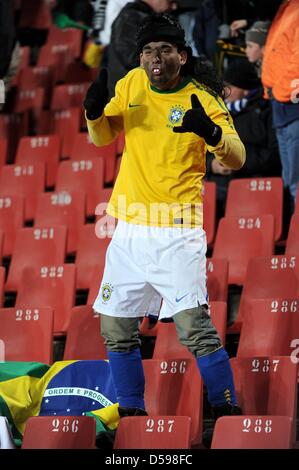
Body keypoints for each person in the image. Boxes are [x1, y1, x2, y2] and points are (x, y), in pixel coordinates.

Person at [84, 14, 245, 446]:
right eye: (149, 51)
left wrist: (210, 132)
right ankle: (131, 409)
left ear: (182, 55)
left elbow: (236, 158)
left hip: (177, 232)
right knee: (115, 327)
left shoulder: (202, 99)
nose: (156, 58)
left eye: (165, 50)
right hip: (130, 228)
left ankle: (226, 408)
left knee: (195, 328)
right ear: (141, 57)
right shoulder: (131, 84)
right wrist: (94, 113)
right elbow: (102, 138)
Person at [206, 58, 281, 217]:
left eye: (230, 86)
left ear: (245, 89)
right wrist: (211, 165)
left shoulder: (266, 111)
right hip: (218, 189)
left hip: (253, 189)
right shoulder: (216, 112)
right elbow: (198, 150)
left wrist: (239, 162)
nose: (224, 91)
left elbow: (274, 155)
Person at [262, 0, 299, 214]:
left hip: (291, 103)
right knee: (289, 182)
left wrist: (279, 91)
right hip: (281, 104)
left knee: (296, 183)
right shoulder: (287, 7)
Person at [105, 0, 178, 98]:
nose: (174, 7)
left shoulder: (144, 17)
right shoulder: (130, 17)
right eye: (170, 1)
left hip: (140, 94)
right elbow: (131, 57)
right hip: (129, 99)